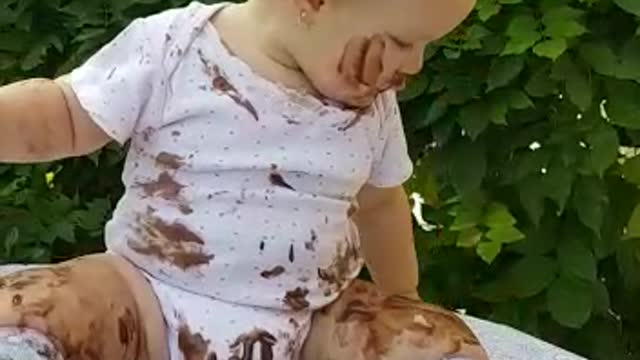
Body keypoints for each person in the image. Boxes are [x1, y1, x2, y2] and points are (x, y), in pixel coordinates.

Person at [0, 0, 586, 359]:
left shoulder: (372, 110)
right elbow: (64, 113)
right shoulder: (174, 49)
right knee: (35, 310)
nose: (413, 66)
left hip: (309, 324)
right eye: (402, 41)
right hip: (147, 297)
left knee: (434, 343)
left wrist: (404, 299)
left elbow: (381, 206)